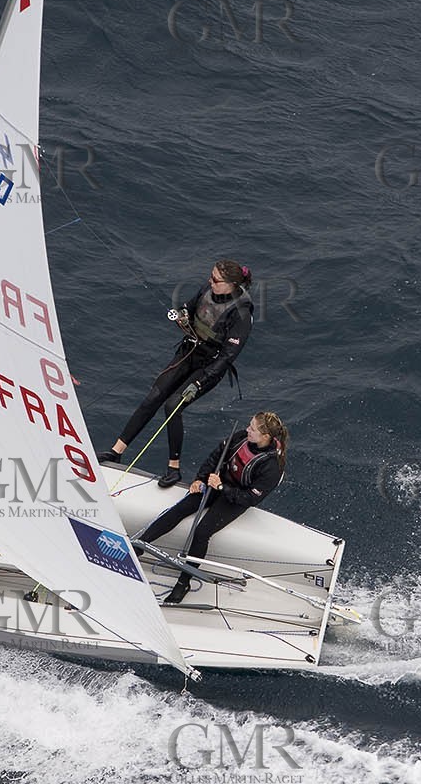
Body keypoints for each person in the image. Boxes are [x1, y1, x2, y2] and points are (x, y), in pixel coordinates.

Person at [98, 259, 255, 487]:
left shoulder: (241, 312)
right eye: (210, 276)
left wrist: (201, 383)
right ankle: (116, 451)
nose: (210, 281)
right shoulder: (207, 289)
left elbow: (228, 356)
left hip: (208, 368)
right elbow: (188, 307)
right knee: (153, 397)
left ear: (231, 284)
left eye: (216, 280)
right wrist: (182, 316)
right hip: (188, 352)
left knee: (173, 406)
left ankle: (174, 469)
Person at [135, 412, 288, 605]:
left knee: (202, 532)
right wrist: (200, 478)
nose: (247, 429)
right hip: (218, 481)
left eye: (252, 429)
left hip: (235, 497)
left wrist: (222, 488)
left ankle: (184, 582)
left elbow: (249, 498)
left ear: (265, 436)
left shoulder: (272, 467)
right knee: (180, 509)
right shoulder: (241, 437)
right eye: (249, 425)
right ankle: (138, 547)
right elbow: (215, 456)